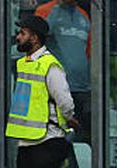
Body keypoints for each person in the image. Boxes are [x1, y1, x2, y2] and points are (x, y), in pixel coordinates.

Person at [6, 15, 79, 168]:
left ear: (35, 38)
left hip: (48, 138)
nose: (18, 37)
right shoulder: (23, 63)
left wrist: (68, 117)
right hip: (26, 139)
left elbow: (65, 101)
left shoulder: (50, 65)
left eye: (23, 33)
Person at [35, 0, 91, 143]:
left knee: (78, 138)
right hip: (55, 88)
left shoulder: (84, 15)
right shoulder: (45, 10)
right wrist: (57, 7)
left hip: (81, 87)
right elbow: (37, 39)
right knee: (55, 137)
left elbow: (90, 52)